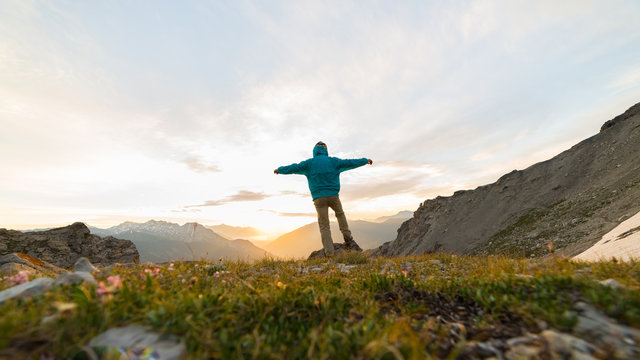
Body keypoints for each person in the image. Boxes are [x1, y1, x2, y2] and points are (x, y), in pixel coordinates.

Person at [274, 141, 373, 257]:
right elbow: (350, 162)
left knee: (324, 225)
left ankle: (330, 253)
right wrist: (365, 160)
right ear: (325, 150)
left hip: (319, 199)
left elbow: (293, 167)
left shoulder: (309, 164)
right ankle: (349, 240)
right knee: (340, 214)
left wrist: (279, 170)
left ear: (314, 151)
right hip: (333, 196)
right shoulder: (334, 161)